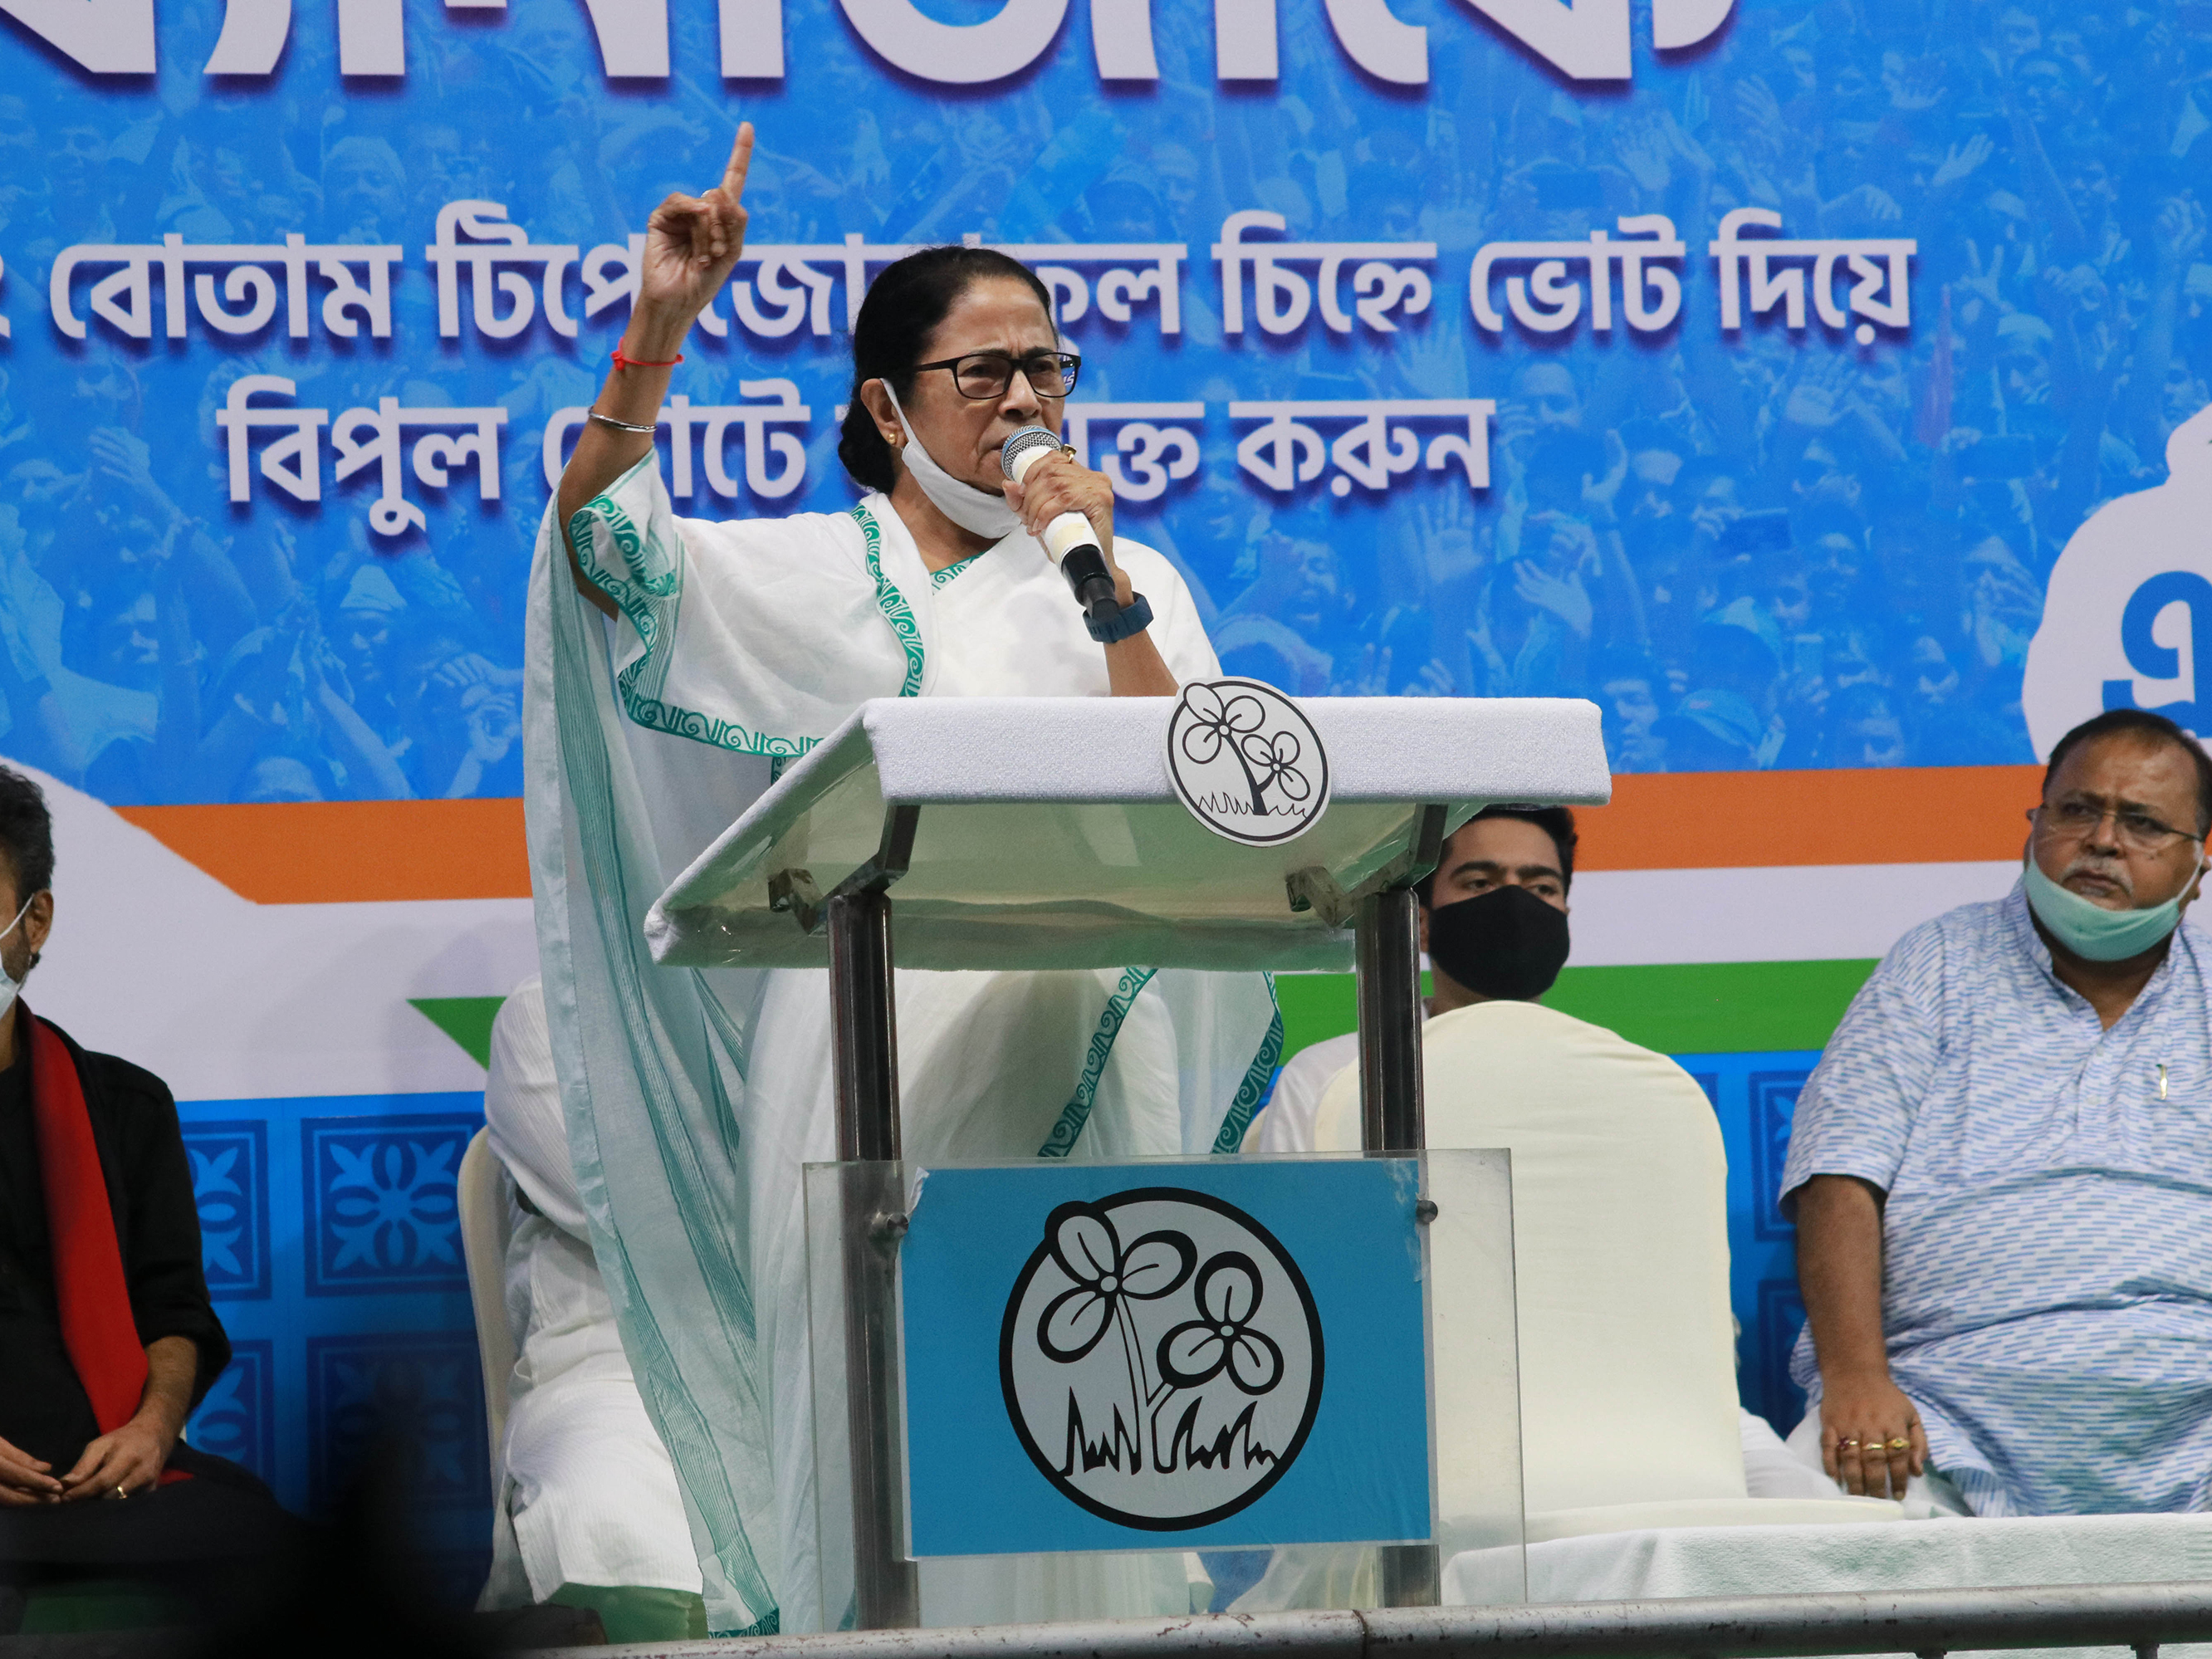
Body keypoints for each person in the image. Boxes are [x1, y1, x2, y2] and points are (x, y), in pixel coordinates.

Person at [527, 127, 1277, 1636]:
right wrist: (657, 330)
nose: (1026, 401)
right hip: (861, 1070)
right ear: (886, 405)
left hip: (1078, 1057)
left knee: (1087, 1438)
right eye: (984, 372)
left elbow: (1198, 788)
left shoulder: (1130, 580)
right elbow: (608, 545)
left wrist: (1096, 573)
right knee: (881, 1453)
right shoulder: (814, 573)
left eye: (1048, 368)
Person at [1783, 707, 2212, 1517]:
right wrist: (1856, 1376)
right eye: (2078, 810)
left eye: (2144, 824)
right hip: (1937, 1415)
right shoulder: (1938, 961)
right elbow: (1837, 1175)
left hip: (2194, 1421)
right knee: (1815, 1514)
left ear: (2199, 864)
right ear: (2034, 825)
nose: (2103, 841)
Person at [0, 764, 294, 1600]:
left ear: (33, 921)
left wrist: (154, 1430)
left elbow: (175, 1313)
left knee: (279, 1555)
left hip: (107, 1473)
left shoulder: (124, 1108)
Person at [477, 979, 707, 1644]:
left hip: (822, 1361)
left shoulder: (829, 994)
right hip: (617, 1372)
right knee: (607, 1513)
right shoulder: (548, 1008)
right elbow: (623, 1206)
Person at [1248, 805, 1575, 1156]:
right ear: (1420, 923)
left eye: (1542, 887)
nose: (1514, 906)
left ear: (1566, 914)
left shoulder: (1606, 1071)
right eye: (1480, 883)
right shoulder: (1326, 1079)